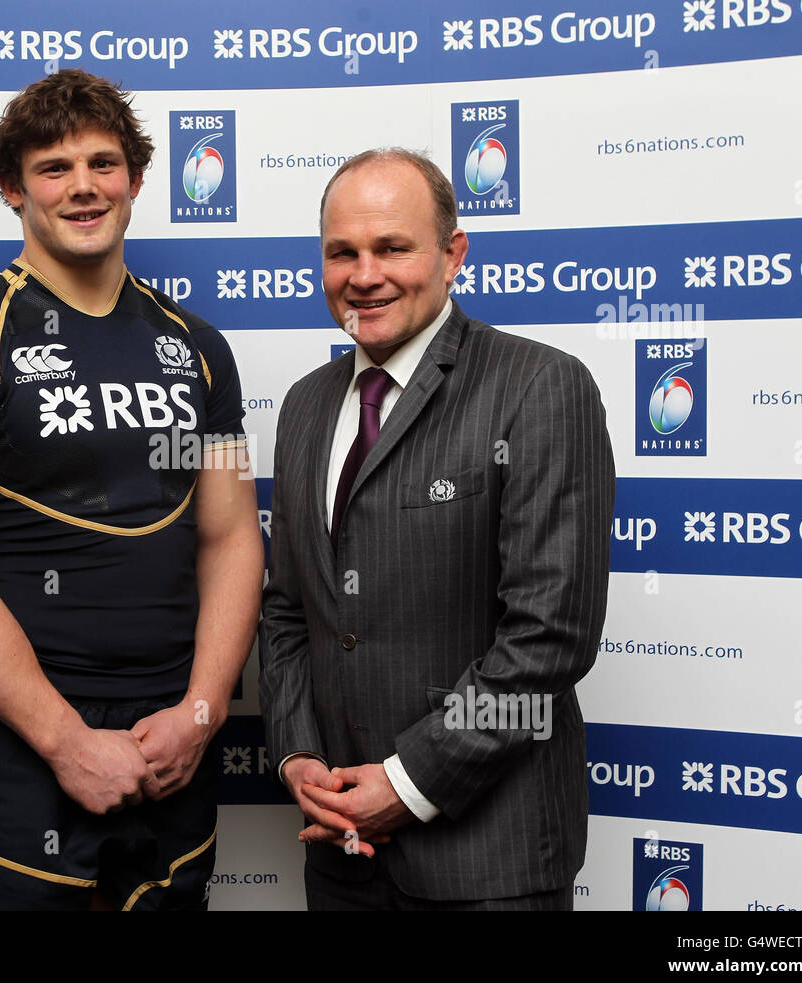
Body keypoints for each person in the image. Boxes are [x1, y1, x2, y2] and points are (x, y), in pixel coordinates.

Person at [0, 70, 263, 911]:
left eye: (103, 162)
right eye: (54, 168)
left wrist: (201, 713)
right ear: (12, 187)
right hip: (24, 746)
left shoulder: (200, 348)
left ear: (133, 177)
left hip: (173, 743)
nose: (84, 186)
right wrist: (65, 743)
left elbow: (232, 537)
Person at [259, 148, 615, 910]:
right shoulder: (304, 407)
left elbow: (548, 639)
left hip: (490, 864)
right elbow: (290, 608)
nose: (364, 274)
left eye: (392, 247)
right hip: (340, 855)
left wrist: (408, 780)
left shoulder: (540, 387)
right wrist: (298, 756)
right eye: (341, 252)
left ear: (453, 255)